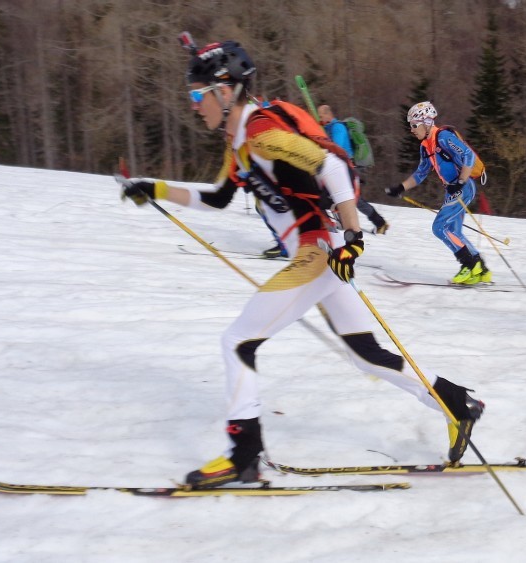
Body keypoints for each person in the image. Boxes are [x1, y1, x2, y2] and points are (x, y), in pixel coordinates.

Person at [118, 39, 483, 489]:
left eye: (198, 95)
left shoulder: (261, 133)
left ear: (225, 90)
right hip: (321, 254)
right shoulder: (239, 143)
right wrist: (153, 189)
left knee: (237, 343)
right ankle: (457, 404)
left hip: (319, 252)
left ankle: (243, 457)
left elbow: (330, 166)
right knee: (367, 355)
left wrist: (352, 236)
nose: (194, 106)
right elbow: (217, 199)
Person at [385, 101, 491, 285]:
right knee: (454, 231)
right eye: (410, 126)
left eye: (414, 125)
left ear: (426, 122)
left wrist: (460, 181)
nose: (412, 130)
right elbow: (421, 173)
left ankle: (469, 264)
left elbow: (469, 156)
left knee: (439, 227)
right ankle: (481, 269)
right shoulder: (426, 146)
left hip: (462, 187)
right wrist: (400, 188)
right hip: (453, 189)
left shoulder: (443, 137)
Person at [317, 104, 389, 235]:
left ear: (328, 115)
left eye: (321, 116)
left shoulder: (337, 128)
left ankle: (380, 223)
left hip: (348, 168)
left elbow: (337, 148)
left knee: (354, 199)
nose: (320, 119)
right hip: (343, 168)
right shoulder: (329, 128)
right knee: (346, 198)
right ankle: (376, 223)